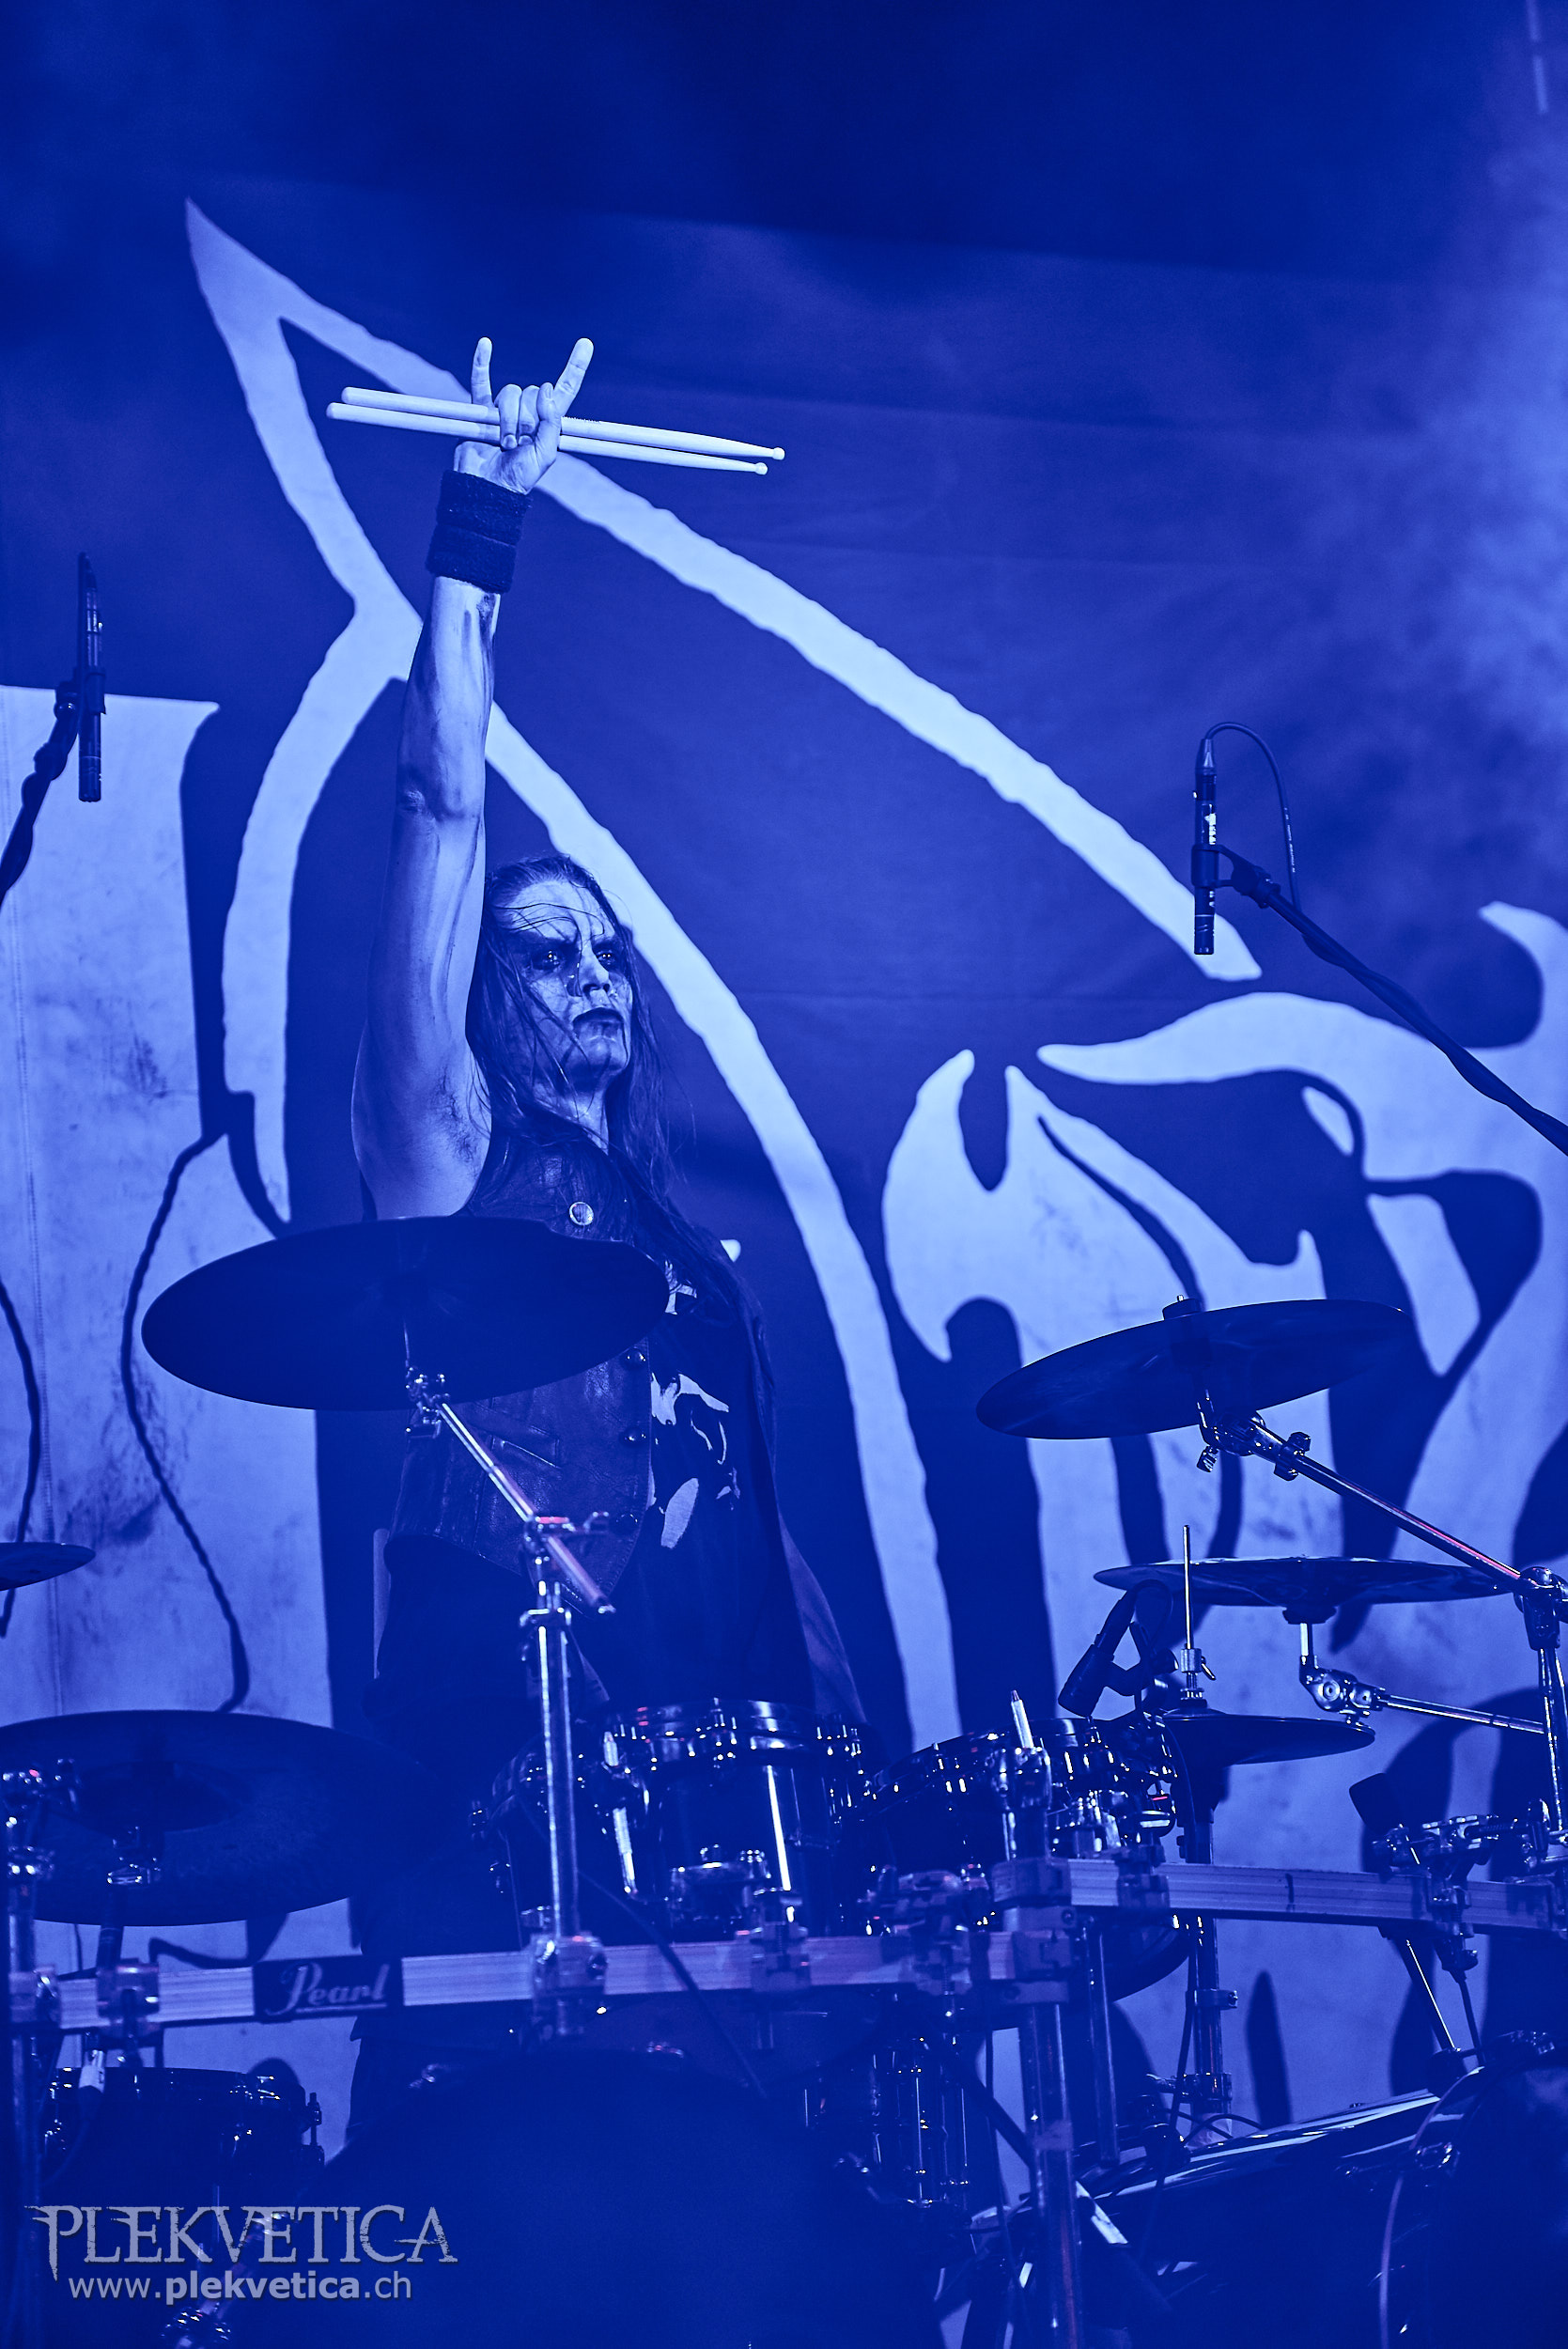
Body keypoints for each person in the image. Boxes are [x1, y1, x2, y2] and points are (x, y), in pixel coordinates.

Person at [347, 339, 860, 2126]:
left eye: (606, 951)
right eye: (543, 950)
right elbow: (440, 806)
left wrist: (831, 1741)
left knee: (734, 2173)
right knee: (514, 2146)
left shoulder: (665, 1235)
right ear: (480, 996)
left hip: (710, 1761)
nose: (592, 975)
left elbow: (743, 1507)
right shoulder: (447, 1149)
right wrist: (480, 525)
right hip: (506, 1744)